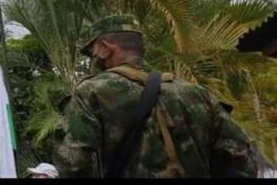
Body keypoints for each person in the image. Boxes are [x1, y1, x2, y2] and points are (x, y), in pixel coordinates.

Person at [54, 14, 257, 178]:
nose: (93, 59)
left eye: (93, 52)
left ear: (106, 48)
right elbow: (240, 156)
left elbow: (75, 165)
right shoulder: (196, 93)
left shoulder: (92, 91)